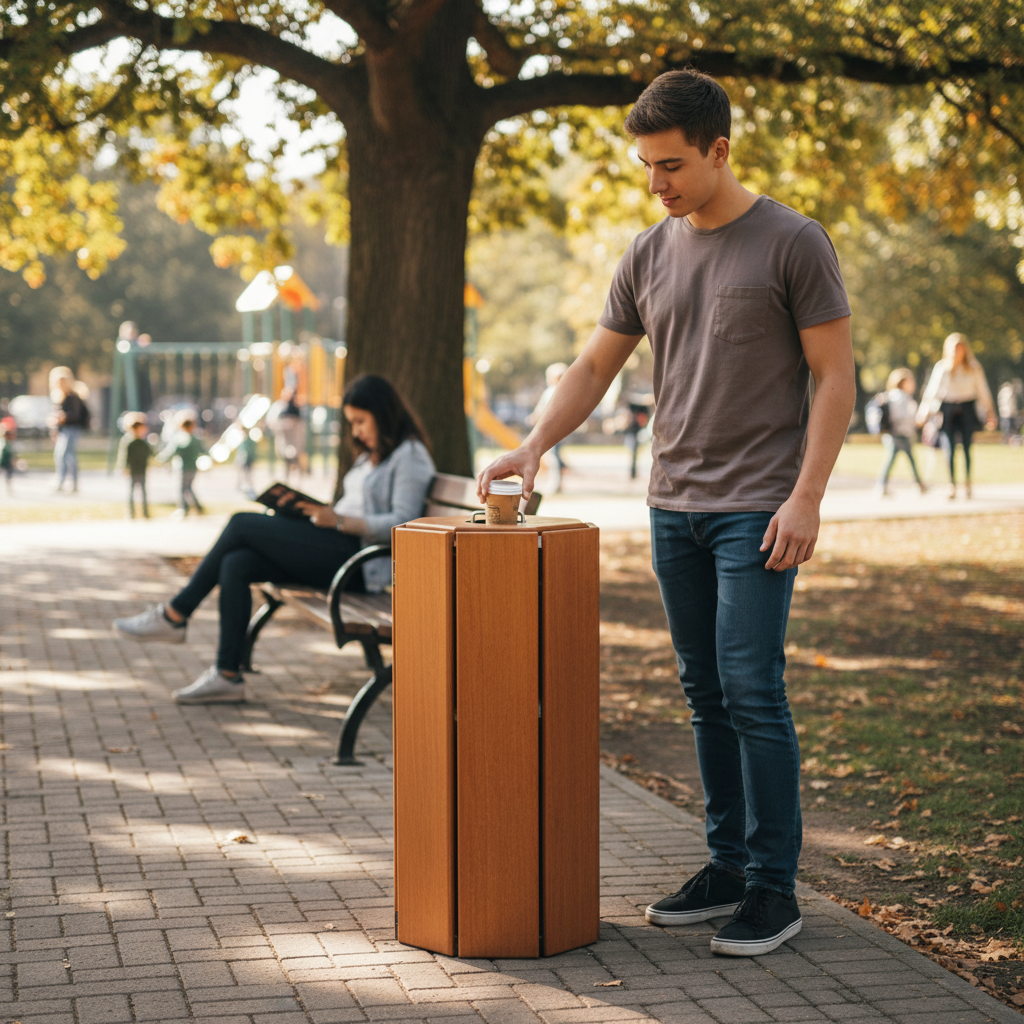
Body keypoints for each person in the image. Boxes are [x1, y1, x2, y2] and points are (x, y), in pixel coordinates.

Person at [478, 69, 855, 957]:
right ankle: (725, 864)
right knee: (704, 693)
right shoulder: (649, 251)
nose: (659, 184)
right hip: (672, 507)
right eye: (648, 167)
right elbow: (593, 368)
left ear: (721, 150)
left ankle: (773, 887)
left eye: (673, 165)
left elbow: (835, 376)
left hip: (757, 508)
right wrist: (534, 445)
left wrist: (807, 497)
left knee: (753, 689)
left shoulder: (794, 241)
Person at [113, 375, 435, 705]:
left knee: (241, 524)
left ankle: (175, 615)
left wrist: (338, 520)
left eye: (361, 422)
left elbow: (405, 523)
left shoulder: (410, 456)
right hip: (336, 544)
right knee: (236, 563)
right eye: (353, 423)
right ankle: (227, 676)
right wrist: (315, 513)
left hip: (358, 563)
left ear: (384, 414)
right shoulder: (372, 455)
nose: (356, 432)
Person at [917, 333, 996, 499]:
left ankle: (967, 482)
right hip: (948, 409)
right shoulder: (942, 367)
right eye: (954, 348)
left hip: (967, 407)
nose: (956, 352)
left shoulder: (973, 367)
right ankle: (952, 484)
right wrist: (923, 412)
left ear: (965, 350)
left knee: (967, 447)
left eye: (959, 348)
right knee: (949, 447)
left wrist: (990, 412)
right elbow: (932, 391)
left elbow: (983, 391)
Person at [874, 369, 926, 497]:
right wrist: (914, 420)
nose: (913, 384)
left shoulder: (897, 395)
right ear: (902, 382)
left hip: (900, 433)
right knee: (892, 460)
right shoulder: (899, 396)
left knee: (907, 460)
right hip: (898, 434)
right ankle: (882, 486)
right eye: (910, 381)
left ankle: (918, 484)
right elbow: (899, 416)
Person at [527, 363, 570, 492]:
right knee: (555, 455)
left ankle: (555, 483)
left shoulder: (551, 391)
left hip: (549, 430)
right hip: (561, 429)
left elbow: (541, 409)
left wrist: (533, 418)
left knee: (552, 457)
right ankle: (558, 482)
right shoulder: (567, 392)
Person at [49, 367, 91, 493]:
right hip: (63, 430)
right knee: (60, 455)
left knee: (68, 455)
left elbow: (75, 415)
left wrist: (64, 417)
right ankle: (61, 481)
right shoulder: (59, 397)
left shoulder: (73, 396)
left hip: (72, 428)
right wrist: (55, 428)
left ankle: (72, 482)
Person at [157, 411, 206, 516]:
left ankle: (184, 508)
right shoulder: (195, 439)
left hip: (182, 467)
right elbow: (203, 451)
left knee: (181, 489)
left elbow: (171, 451)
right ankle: (198, 508)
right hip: (192, 467)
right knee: (188, 488)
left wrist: (160, 459)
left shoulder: (179, 438)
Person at [117, 413, 153, 518]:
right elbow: (124, 456)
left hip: (142, 469)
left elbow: (149, 453)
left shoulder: (143, 441)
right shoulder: (129, 441)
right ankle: (131, 513)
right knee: (131, 493)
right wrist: (124, 468)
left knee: (143, 492)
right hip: (133, 469)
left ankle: (145, 513)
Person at [267, 387, 306, 481]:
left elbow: (301, 425)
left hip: (295, 442)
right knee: (285, 464)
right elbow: (271, 422)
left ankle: (296, 483)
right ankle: (285, 481)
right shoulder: (278, 407)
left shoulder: (297, 407)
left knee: (296, 464)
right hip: (284, 441)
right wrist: (284, 425)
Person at [997, 379, 1022, 446]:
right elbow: (1011, 405)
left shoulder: (1002, 393)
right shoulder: (1008, 393)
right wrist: (1014, 412)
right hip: (1008, 413)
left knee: (1006, 428)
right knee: (1008, 429)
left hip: (1005, 413)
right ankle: (1007, 441)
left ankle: (1007, 441)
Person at [0, 424, 15, 495]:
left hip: (5, 462)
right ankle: (9, 490)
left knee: (8, 476)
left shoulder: (6, 443)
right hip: (4, 462)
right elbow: (6, 454)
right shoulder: (5, 444)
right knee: (8, 476)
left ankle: (9, 490)